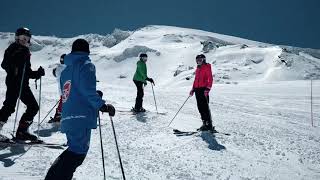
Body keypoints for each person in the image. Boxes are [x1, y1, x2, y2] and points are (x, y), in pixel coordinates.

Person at [45, 39, 115, 180]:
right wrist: (102, 105)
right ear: (87, 51)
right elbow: (87, 90)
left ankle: (52, 176)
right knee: (78, 153)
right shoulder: (86, 65)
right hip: (81, 117)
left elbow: (69, 92)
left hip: (68, 117)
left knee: (73, 150)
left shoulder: (66, 70)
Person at [0, 27, 45, 140]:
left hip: (23, 85)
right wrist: (14, 64)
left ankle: (22, 131)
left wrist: (37, 74)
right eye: (22, 38)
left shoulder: (26, 51)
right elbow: (4, 64)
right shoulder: (13, 48)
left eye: (26, 38)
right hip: (14, 82)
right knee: (9, 106)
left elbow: (27, 72)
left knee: (33, 107)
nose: (24, 40)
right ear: (17, 38)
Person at [189, 54, 214, 132]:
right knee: (200, 107)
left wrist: (208, 89)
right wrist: (193, 89)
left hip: (203, 90)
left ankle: (209, 124)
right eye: (197, 60)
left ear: (204, 60)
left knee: (205, 107)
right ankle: (204, 123)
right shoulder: (198, 69)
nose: (198, 61)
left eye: (200, 60)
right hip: (197, 90)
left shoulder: (206, 67)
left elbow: (210, 78)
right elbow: (196, 80)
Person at [48, 54, 66, 123]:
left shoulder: (59, 68)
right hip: (65, 88)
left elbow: (54, 73)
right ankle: (58, 115)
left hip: (62, 88)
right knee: (64, 100)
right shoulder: (65, 68)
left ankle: (59, 114)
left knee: (64, 100)